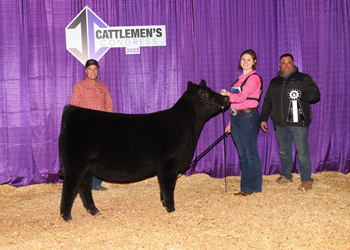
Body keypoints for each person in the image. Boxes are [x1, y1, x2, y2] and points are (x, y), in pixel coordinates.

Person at [260, 54, 320, 191]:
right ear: (279, 65)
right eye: (283, 63)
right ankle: (286, 175)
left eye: (289, 63)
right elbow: (268, 101)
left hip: (298, 123)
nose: (286, 65)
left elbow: (316, 95)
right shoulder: (274, 82)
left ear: (293, 63)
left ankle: (307, 180)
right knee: (284, 151)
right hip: (280, 123)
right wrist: (263, 118)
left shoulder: (304, 78)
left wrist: (302, 94)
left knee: (302, 152)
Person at [220, 49, 263, 196]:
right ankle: (246, 187)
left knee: (250, 153)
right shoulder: (239, 80)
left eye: (248, 60)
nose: (245, 62)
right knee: (243, 154)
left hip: (248, 117)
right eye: (243, 59)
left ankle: (252, 187)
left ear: (254, 62)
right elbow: (235, 104)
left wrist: (228, 94)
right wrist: (231, 123)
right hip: (237, 117)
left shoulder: (254, 78)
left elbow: (242, 97)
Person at [69, 59, 114, 191]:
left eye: (95, 69)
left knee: (101, 156)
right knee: (85, 157)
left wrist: (109, 122)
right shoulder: (79, 86)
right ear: (86, 71)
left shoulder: (103, 86)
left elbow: (108, 105)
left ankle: (95, 184)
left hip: (102, 127)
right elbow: (74, 108)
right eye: (90, 69)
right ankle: (83, 184)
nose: (92, 71)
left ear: (98, 71)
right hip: (86, 128)